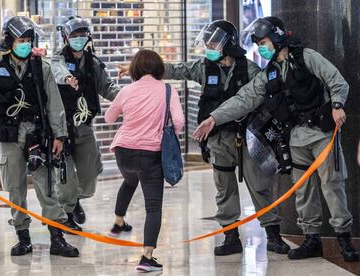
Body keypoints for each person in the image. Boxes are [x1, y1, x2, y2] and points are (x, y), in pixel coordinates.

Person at [117, 20, 290, 256]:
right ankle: (230, 236)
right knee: (223, 188)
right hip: (218, 139)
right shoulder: (204, 67)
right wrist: (142, 71)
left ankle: (273, 234)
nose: (209, 47)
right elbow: (179, 69)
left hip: (246, 138)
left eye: (214, 43)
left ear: (227, 44)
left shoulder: (250, 71)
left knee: (259, 187)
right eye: (207, 43)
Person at [193, 16, 359, 262]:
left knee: (332, 185)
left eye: (264, 41)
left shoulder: (306, 57)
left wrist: (337, 105)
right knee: (303, 191)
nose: (261, 46)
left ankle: (344, 239)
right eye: (258, 42)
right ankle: (311, 238)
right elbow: (244, 99)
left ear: (278, 36)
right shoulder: (269, 73)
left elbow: (337, 81)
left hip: (322, 134)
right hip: (295, 138)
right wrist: (214, 118)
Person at [0, 16, 79, 258]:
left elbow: (55, 104)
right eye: (21, 40)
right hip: (9, 135)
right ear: (9, 41)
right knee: (15, 188)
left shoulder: (43, 68)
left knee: (47, 186)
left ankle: (57, 238)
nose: (25, 44)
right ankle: (23, 237)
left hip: (38, 134)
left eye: (28, 40)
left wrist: (59, 135)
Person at [105, 49, 184, 272]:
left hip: (123, 151)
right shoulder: (168, 90)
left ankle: (119, 223)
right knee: (153, 207)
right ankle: (147, 258)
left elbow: (109, 117)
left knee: (130, 181)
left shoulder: (126, 90)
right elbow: (178, 122)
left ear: (135, 69)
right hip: (150, 154)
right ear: (159, 68)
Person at [51, 16, 121, 229]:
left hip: (84, 127)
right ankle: (68, 212)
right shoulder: (57, 59)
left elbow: (107, 88)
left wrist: (127, 98)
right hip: (61, 129)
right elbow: (57, 72)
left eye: (83, 35)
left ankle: (76, 199)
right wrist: (67, 79)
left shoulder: (93, 63)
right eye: (74, 35)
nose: (79, 39)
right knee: (66, 179)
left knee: (90, 176)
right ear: (65, 37)